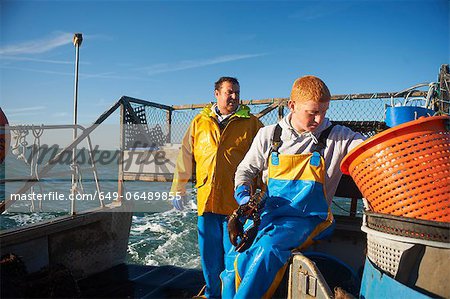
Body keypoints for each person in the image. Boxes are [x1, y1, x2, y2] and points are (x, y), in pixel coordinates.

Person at [221, 75, 366, 298]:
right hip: (268, 214)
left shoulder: (340, 137)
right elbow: (245, 171)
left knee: (267, 250)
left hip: (310, 218)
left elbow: (371, 151)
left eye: (324, 111)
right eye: (312, 112)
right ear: (292, 105)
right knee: (234, 251)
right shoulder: (268, 135)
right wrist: (243, 199)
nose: (319, 119)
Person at [170, 77, 263, 299]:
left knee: (234, 257)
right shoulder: (199, 122)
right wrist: (178, 187)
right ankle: (212, 294)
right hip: (207, 201)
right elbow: (185, 155)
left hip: (236, 206)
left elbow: (263, 161)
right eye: (229, 92)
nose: (234, 97)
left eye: (237, 93)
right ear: (216, 94)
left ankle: (232, 295)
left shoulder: (252, 124)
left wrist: (261, 193)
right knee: (209, 258)